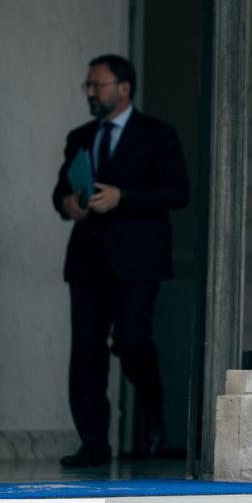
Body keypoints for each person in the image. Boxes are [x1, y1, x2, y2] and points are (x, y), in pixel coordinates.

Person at [52, 54, 189, 467]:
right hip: (88, 260)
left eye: (99, 85)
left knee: (132, 342)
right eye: (89, 86)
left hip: (138, 260)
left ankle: (152, 414)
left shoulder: (157, 134)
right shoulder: (80, 136)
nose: (91, 92)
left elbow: (177, 192)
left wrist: (123, 196)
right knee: (86, 353)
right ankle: (93, 443)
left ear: (124, 88)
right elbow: (61, 192)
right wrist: (69, 204)